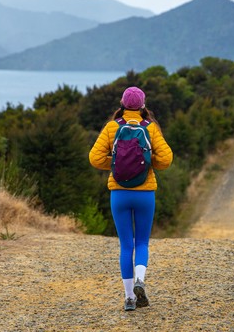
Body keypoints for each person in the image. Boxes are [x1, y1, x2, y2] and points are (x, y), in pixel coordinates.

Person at [89, 86, 173, 311]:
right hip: (145, 193)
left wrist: (116, 164)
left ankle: (129, 298)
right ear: (143, 105)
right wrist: (144, 163)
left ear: (122, 104)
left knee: (126, 245)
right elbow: (166, 160)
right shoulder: (151, 128)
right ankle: (140, 280)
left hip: (119, 193)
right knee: (142, 242)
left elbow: (95, 158)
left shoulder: (111, 127)